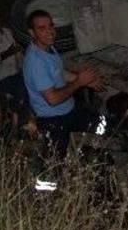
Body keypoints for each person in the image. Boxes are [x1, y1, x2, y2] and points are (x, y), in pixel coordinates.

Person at [23, 9, 107, 161]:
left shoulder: (47, 48)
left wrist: (87, 81)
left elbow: (59, 73)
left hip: (69, 109)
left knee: (102, 124)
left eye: (51, 26)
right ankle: (48, 182)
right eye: (42, 29)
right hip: (53, 121)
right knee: (53, 164)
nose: (50, 32)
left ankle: (99, 148)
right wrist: (79, 82)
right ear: (32, 33)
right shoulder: (36, 62)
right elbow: (53, 99)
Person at [0, 9, 31, 137]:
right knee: (8, 108)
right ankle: (5, 138)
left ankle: (22, 133)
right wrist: (11, 51)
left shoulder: (9, 32)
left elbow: (18, 50)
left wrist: (23, 63)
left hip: (17, 72)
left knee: (23, 102)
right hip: (3, 77)